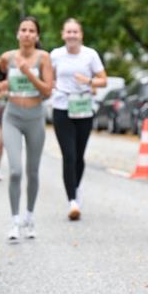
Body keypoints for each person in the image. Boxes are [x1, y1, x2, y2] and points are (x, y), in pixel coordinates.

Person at [0, 16, 54, 242]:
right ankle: (14, 221)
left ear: (37, 36)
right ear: (17, 34)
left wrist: (28, 72)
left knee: (32, 171)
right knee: (14, 171)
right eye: (24, 30)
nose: (27, 34)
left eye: (32, 30)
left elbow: (47, 91)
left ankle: (29, 216)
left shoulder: (44, 58)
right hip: (12, 116)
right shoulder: (6, 58)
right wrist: (0, 88)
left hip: (34, 117)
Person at [50, 18, 107, 220]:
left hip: (83, 108)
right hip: (62, 108)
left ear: (81, 34)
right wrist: (52, 85)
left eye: (75, 32)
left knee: (80, 155)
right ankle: (72, 201)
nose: (72, 35)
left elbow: (103, 79)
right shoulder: (55, 55)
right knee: (69, 154)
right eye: (68, 32)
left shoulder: (90, 55)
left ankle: (75, 187)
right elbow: (49, 77)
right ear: (63, 34)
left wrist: (89, 81)